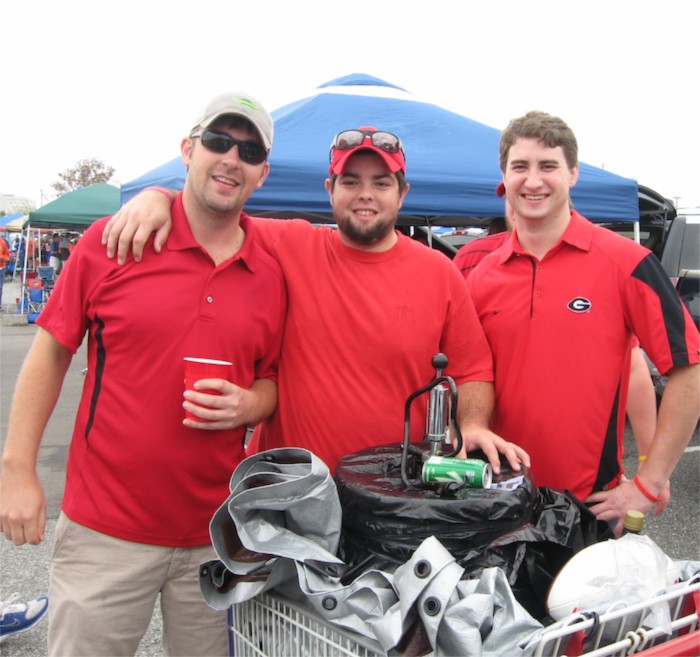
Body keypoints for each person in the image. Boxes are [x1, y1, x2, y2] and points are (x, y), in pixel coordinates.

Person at [0, 91, 287, 657]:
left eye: (249, 150)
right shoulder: (114, 243)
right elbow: (51, 352)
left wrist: (250, 405)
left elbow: (274, 380)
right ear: (188, 149)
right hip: (104, 532)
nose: (232, 158)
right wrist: (17, 469)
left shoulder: (272, 273)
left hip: (215, 539)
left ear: (262, 173)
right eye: (218, 141)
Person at [102, 126, 530, 477]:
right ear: (329, 189)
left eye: (381, 183)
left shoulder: (439, 272)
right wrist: (160, 196)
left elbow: (472, 369)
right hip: (289, 487)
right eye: (351, 182)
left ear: (401, 194)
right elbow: (212, 213)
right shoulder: (291, 244)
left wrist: (472, 424)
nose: (366, 194)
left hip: (392, 491)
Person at [464, 110, 698, 532]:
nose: (533, 181)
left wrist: (649, 480)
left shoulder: (626, 262)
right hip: (497, 503)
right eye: (520, 167)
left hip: (587, 510)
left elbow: (689, 369)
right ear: (505, 176)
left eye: (548, 166)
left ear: (572, 174)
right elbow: (470, 376)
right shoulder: (481, 277)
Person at [0, 235, 9, 309]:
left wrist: (3, 258)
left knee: (0, 288)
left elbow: (7, 255)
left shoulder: (2, 243)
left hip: (1, 268)